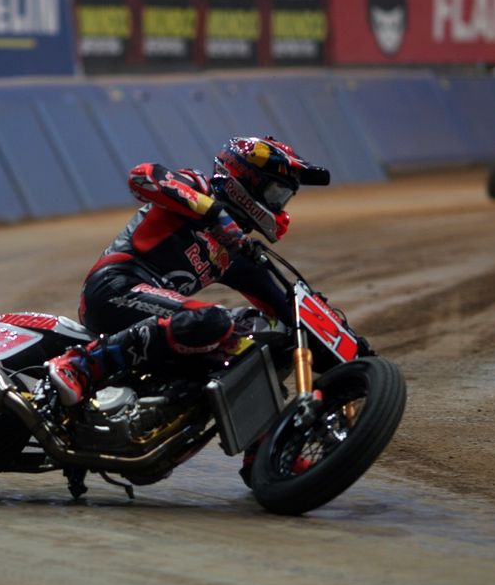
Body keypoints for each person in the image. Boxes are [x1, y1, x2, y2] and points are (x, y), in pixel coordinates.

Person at [47, 136, 332, 412]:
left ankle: (260, 455)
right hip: (115, 286)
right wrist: (212, 212)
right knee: (212, 318)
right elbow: (142, 177)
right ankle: (80, 364)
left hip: (156, 312)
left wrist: (339, 350)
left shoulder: (236, 251)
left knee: (258, 332)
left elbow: (281, 307)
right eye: (276, 193)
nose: (279, 205)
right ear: (246, 177)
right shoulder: (197, 187)